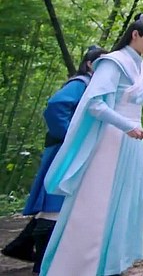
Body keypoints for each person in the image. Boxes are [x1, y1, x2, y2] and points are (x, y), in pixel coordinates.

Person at [40, 14, 143, 276]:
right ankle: (79, 266)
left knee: (127, 201)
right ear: (135, 35)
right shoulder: (112, 62)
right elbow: (95, 104)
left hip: (132, 141)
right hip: (110, 141)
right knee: (96, 202)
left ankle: (110, 265)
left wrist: (134, 128)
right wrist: (126, 125)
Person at [1, 46, 107, 273]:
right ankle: (42, 264)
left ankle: (22, 246)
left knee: (62, 201)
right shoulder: (81, 84)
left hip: (71, 148)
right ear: (90, 64)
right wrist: (71, 137)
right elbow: (56, 106)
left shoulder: (92, 86)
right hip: (65, 149)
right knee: (56, 200)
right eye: (101, 63)